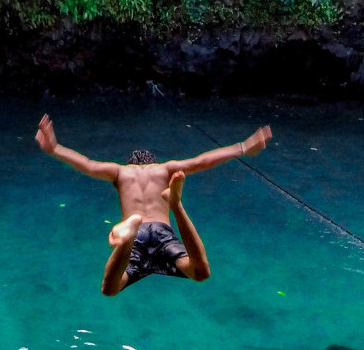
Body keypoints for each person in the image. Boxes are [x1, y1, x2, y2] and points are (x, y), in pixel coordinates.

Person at [36, 114, 272, 295]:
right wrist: (241, 147)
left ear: (130, 163)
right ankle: (175, 203)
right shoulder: (164, 169)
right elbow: (202, 161)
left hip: (137, 235)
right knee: (200, 273)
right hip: (162, 233)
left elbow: (86, 164)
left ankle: (126, 240)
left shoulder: (120, 172)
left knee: (110, 289)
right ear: (153, 162)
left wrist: (55, 148)